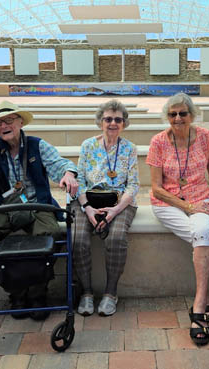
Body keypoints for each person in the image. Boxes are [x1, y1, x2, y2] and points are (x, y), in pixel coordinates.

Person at [0, 101, 79, 321]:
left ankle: (38, 293)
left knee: (50, 233)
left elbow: (59, 164)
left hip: (37, 204)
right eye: (0, 123)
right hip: (4, 206)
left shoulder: (37, 145)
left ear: (20, 122)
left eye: (9, 120)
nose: (4, 126)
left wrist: (68, 174)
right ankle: (16, 292)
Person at [147, 92, 209, 346]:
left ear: (191, 115)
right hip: (168, 204)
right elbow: (156, 188)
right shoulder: (158, 142)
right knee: (203, 236)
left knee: (204, 233)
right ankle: (206, 304)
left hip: (201, 199)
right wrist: (188, 206)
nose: (177, 118)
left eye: (182, 113)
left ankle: (199, 305)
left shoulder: (205, 136)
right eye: (172, 114)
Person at [71, 100, 139, 316]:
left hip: (119, 202)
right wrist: (87, 208)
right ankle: (87, 293)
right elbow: (79, 179)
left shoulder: (129, 149)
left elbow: (134, 184)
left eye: (118, 119)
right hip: (88, 201)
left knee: (117, 238)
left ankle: (110, 293)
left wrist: (115, 211)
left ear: (124, 123)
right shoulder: (88, 145)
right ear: (100, 121)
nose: (112, 123)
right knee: (78, 239)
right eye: (108, 118)